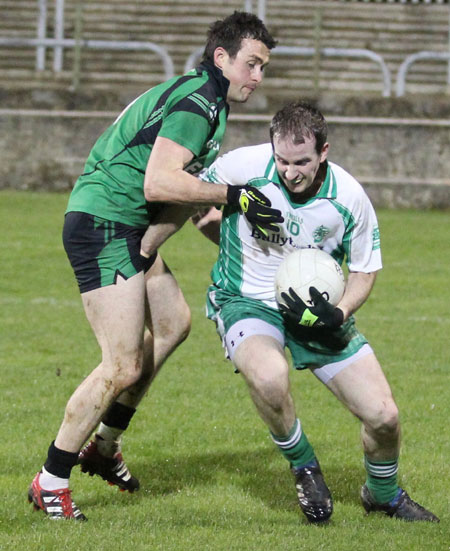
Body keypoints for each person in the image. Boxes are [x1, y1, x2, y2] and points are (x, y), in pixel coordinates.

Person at [28, 11, 281, 521]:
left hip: (125, 226)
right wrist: (239, 196)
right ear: (221, 58)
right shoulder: (198, 102)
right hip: (104, 223)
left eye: (263, 67)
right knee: (121, 364)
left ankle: (103, 446)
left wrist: (229, 232)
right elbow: (159, 184)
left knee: (172, 324)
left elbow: (186, 201)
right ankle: (50, 480)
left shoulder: (206, 98)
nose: (257, 77)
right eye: (251, 64)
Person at [200, 101, 439, 524]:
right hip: (247, 300)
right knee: (270, 376)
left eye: (302, 162)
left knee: (384, 418)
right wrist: (221, 220)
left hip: (316, 313)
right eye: (282, 160)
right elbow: (192, 192)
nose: (290, 172)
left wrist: (339, 312)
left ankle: (382, 496)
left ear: (323, 152)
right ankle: (304, 466)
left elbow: (365, 270)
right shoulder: (246, 166)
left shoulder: (348, 198)